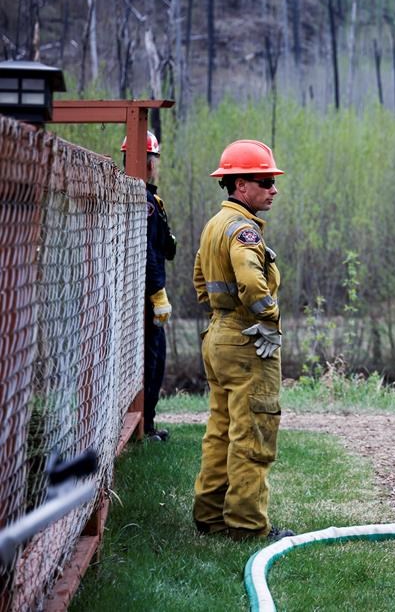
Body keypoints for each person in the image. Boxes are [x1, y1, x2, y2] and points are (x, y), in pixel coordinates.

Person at [191, 139, 294, 541]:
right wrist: (268, 319)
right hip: (247, 339)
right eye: (265, 181)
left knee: (221, 430)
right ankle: (248, 525)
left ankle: (211, 516)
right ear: (240, 186)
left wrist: (223, 312)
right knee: (253, 432)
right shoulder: (243, 231)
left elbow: (201, 280)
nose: (273, 189)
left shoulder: (216, 225)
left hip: (218, 336)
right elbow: (252, 280)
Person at [121, 131, 176, 441]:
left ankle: (148, 423)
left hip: (140, 292)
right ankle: (147, 425)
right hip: (146, 294)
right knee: (151, 358)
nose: (155, 165)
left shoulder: (149, 197)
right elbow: (147, 253)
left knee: (154, 357)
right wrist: (158, 293)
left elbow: (161, 246)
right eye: (153, 159)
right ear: (146, 162)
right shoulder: (144, 201)